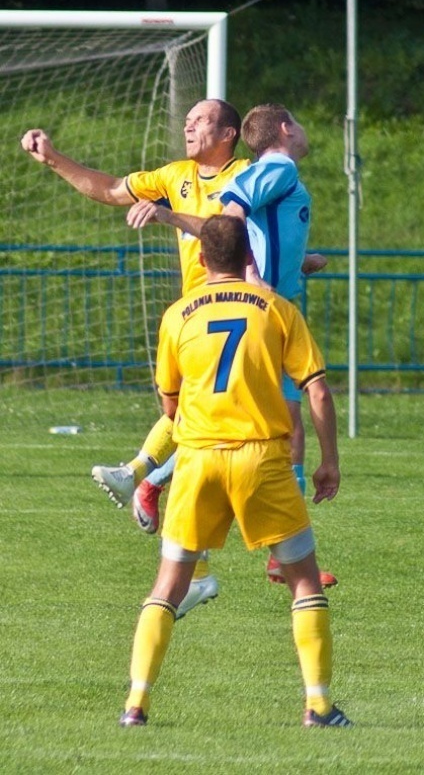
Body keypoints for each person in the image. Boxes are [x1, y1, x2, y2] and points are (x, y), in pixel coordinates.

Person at [119, 214, 351, 729]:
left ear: (201, 259)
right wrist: (328, 461)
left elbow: (169, 403)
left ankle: (136, 704)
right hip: (261, 459)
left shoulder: (178, 315)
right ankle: (318, 706)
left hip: (198, 461)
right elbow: (316, 389)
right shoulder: (277, 309)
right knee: (304, 582)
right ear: (250, 257)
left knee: (168, 585)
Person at [21, 98, 249, 617]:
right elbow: (109, 189)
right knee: (189, 420)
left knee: (220, 431)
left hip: (241, 309)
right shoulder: (174, 175)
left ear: (230, 132)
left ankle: (145, 478)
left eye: (202, 119)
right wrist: (54, 157)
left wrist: (296, 257)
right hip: (197, 313)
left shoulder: (250, 176)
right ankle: (152, 490)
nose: (189, 125)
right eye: (187, 119)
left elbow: (236, 231)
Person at [126, 103, 337, 588]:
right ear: (286, 127)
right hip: (264, 314)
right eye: (300, 121)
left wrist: (303, 260)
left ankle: (276, 553)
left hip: (268, 306)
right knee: (264, 425)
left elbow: (260, 228)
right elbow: (232, 214)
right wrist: (256, 277)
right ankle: (153, 482)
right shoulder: (279, 166)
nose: (305, 130)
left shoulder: (276, 172)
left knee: (285, 425)